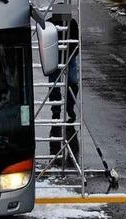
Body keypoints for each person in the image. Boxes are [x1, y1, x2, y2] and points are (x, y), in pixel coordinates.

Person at [46, 13, 79, 164]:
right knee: (57, 84)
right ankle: (57, 110)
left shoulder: (69, 23)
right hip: (57, 55)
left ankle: (68, 108)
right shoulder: (53, 23)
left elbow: (76, 42)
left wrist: (70, 53)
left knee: (71, 81)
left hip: (67, 54)